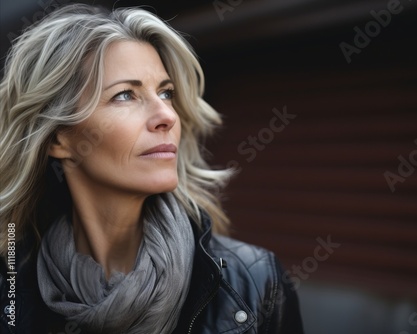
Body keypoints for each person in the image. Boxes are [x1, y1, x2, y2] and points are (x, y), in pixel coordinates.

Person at [0, 4, 303, 334]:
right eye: (126, 95)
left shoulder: (255, 282)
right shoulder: (11, 288)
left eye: (166, 92)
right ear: (59, 138)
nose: (167, 116)